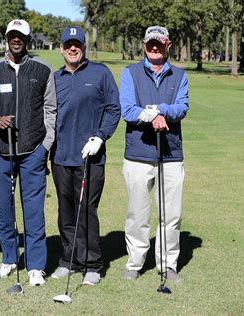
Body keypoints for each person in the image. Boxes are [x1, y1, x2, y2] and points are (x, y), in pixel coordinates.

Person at [0, 19, 56, 286]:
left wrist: (45, 146)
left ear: (27, 39)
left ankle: (36, 266)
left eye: (20, 36)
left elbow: (51, 111)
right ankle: (9, 259)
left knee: (33, 211)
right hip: (1, 149)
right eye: (12, 35)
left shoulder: (43, 70)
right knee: (3, 209)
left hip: (33, 149)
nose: (16, 39)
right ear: (6, 38)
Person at [50, 27, 121, 285]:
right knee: (66, 212)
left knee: (86, 210)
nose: (72, 49)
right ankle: (69, 260)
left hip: (91, 157)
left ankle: (92, 264)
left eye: (76, 44)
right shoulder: (54, 78)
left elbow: (114, 109)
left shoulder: (100, 73)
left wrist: (101, 136)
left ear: (83, 47)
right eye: (68, 44)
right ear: (61, 48)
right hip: (60, 156)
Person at [119, 25, 189, 282]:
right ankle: (135, 263)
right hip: (138, 153)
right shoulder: (131, 73)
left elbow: (182, 108)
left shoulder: (179, 75)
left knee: (171, 214)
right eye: (150, 43)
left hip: (171, 154)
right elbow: (127, 110)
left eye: (159, 43)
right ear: (144, 45)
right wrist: (153, 116)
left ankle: (167, 264)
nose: (155, 47)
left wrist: (159, 110)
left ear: (168, 45)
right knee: (137, 213)